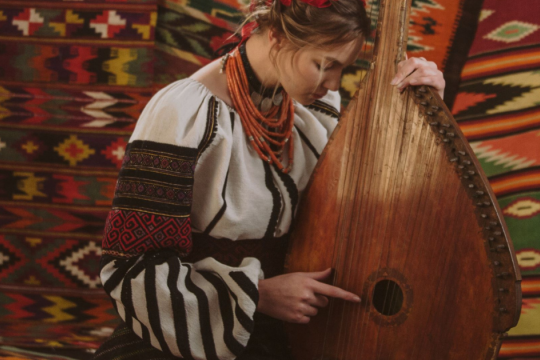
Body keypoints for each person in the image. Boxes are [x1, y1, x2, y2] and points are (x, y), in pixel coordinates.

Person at [94, 0, 446, 359]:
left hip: (301, 323)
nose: (333, 83)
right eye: (325, 65)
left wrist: (423, 106)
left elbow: (374, 197)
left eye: (343, 68)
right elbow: (131, 266)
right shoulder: (184, 113)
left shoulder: (312, 109)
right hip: (198, 327)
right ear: (277, 37)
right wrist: (257, 295)